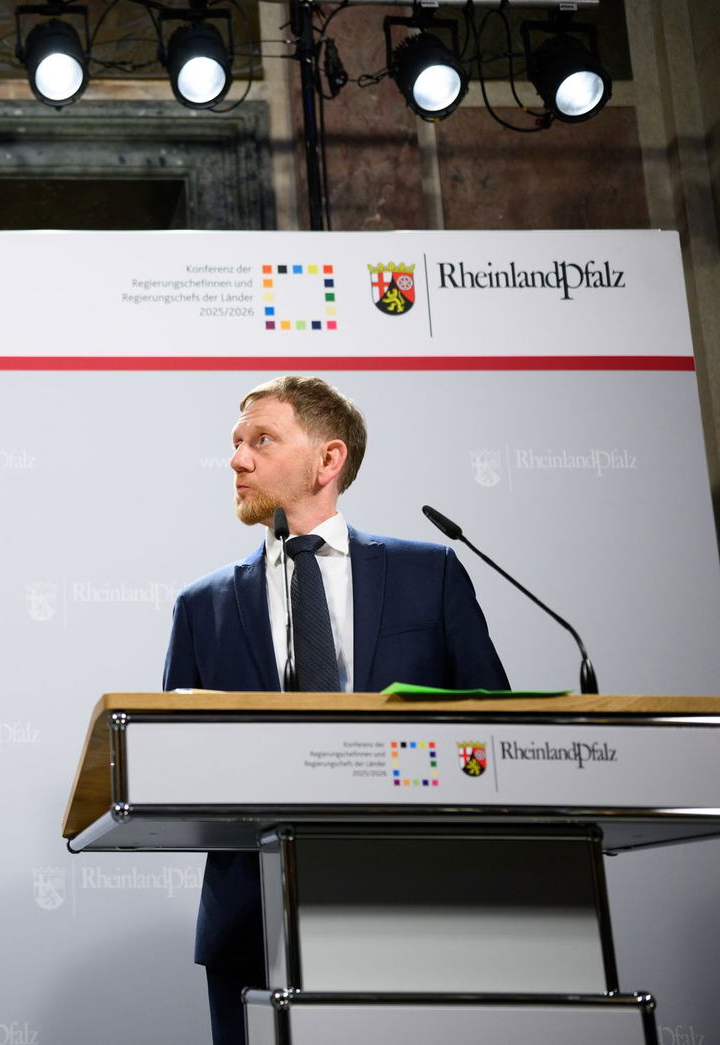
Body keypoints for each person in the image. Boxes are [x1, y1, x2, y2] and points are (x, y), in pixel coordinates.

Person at [162, 375, 507, 1045]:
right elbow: (174, 773)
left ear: (328, 459)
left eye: (261, 440)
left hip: (415, 911)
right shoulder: (199, 606)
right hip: (250, 928)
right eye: (235, 443)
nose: (237, 459)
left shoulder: (428, 575)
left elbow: (491, 732)